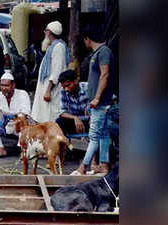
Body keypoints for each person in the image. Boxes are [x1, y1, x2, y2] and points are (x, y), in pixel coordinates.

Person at [73, 25, 116, 175]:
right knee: (103, 134)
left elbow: (105, 74)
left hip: (100, 102)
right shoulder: (98, 53)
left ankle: (83, 166)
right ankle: (103, 165)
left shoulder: (103, 52)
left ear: (87, 39)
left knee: (93, 135)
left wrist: (97, 98)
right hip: (97, 102)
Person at [0, 72, 31, 158]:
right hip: (4, 126)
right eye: (2, 85)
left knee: (22, 119)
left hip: (18, 126)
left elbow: (25, 114)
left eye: (6, 85)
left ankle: (23, 150)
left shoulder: (22, 94)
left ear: (13, 85)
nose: (3, 88)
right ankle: (0, 148)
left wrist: (10, 117)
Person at [31, 21, 70, 123]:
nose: (45, 33)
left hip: (52, 89)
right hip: (47, 87)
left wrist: (48, 90)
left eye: (46, 30)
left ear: (49, 32)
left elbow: (57, 71)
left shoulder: (58, 47)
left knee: (49, 118)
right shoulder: (53, 46)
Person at [56, 69, 89, 135]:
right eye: (64, 87)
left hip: (90, 120)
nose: (66, 89)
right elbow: (62, 112)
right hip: (75, 122)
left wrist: (90, 107)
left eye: (68, 85)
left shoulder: (87, 87)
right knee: (59, 121)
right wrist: (75, 118)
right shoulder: (63, 91)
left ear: (76, 81)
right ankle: (66, 144)